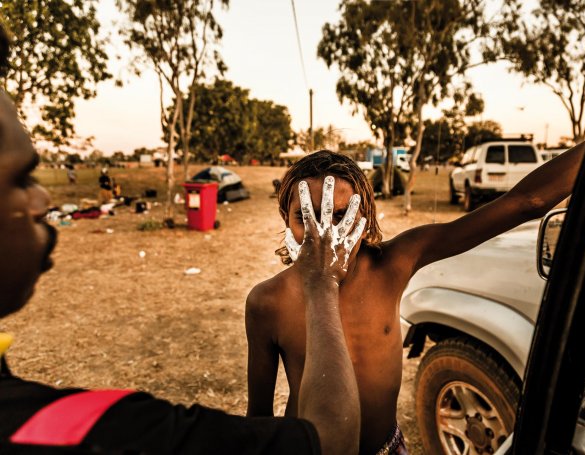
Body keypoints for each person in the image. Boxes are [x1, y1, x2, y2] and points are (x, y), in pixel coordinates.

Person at [0, 27, 360, 454]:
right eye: (22, 178)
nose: (42, 200)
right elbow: (332, 441)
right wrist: (320, 282)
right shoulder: (90, 432)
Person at [246, 144, 585, 454]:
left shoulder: (392, 264)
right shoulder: (267, 301)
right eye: (306, 217)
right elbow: (257, 420)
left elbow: (528, 201)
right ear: (286, 221)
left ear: (363, 220)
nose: (326, 234)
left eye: (339, 216)